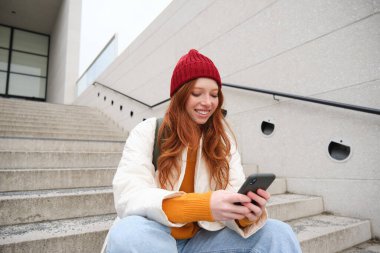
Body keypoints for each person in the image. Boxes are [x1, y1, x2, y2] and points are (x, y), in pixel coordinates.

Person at [106, 49, 302, 253]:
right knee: (127, 233)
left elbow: (233, 193)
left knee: (278, 233)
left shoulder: (222, 142)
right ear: (179, 95)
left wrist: (245, 215)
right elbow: (129, 195)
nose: (208, 102)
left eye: (214, 95)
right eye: (197, 93)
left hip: (201, 243)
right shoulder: (147, 132)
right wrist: (204, 205)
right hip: (153, 239)